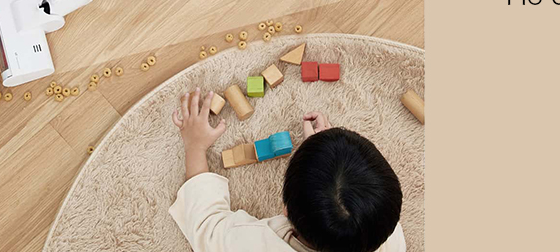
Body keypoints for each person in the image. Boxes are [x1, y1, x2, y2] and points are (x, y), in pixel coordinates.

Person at [169, 88, 406, 252]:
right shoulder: (387, 237)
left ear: (286, 209)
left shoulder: (251, 244)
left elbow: (206, 225)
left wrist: (195, 146)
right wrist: (324, 150)